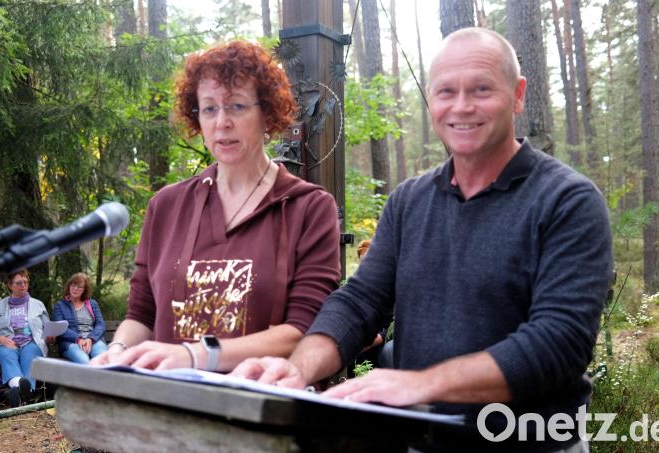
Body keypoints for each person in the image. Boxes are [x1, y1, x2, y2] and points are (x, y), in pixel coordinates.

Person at [232, 28, 613, 452]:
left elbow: (559, 342)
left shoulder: (567, 200)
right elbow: (360, 301)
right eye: (446, 91)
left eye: (482, 89)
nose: (462, 106)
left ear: (518, 95)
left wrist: (420, 384)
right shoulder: (409, 201)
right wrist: (297, 369)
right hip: (424, 443)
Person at [91, 40, 341, 372]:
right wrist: (118, 349)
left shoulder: (308, 208)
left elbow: (305, 331)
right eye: (209, 108)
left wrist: (198, 354)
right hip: (164, 408)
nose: (222, 122)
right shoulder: (165, 206)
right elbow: (142, 316)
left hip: (260, 410)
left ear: (267, 113)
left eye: (237, 106)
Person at [0, 269, 50, 407]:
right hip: (7, 344)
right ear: (10, 285)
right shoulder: (0, 306)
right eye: (19, 283)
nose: (23, 286)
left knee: (31, 357)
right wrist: (0, 339)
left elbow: (47, 328)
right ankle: (26, 391)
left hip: (31, 342)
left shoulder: (38, 305)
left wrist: (51, 337)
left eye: (26, 282)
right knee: (7, 355)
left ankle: (18, 392)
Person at [53, 273, 107, 363]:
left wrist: (91, 339)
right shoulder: (60, 305)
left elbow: (100, 324)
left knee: (102, 359)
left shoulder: (92, 303)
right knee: (84, 361)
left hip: (93, 341)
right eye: (73, 285)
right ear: (69, 286)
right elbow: (60, 328)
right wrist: (78, 339)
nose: (75, 289)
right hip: (71, 343)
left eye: (79, 287)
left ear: (84, 290)